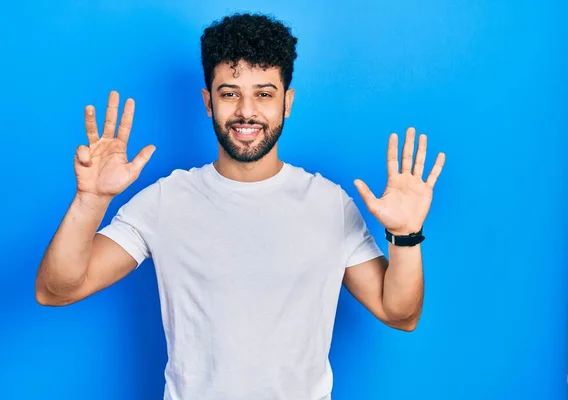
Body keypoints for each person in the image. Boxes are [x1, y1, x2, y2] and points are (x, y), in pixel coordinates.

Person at [35, 12, 445, 400]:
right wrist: (91, 201)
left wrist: (406, 235)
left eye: (264, 94)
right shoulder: (165, 201)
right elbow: (57, 290)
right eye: (230, 94)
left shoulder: (329, 203)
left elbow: (399, 314)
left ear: (287, 102)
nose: (246, 112)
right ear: (208, 101)